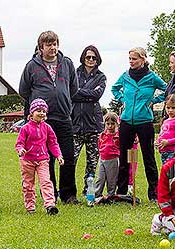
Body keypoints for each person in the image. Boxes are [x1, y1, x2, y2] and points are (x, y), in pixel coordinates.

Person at [19, 30, 79, 204]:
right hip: (43, 120)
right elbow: (24, 90)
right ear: (40, 47)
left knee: (68, 156)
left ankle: (69, 195)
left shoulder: (67, 63)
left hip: (64, 117)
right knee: (46, 158)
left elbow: (73, 89)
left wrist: (64, 99)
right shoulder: (32, 65)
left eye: (54, 44)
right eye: (48, 45)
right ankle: (50, 194)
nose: (52, 48)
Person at [111, 47, 166, 202]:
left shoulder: (152, 77)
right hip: (127, 122)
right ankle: (121, 192)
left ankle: (154, 194)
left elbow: (167, 89)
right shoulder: (125, 76)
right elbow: (114, 88)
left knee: (148, 157)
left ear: (143, 59)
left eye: (134, 58)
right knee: (125, 157)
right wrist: (122, 99)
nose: (131, 61)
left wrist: (153, 101)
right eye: (129, 58)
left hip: (145, 122)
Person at [15, 98, 62, 215]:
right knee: (28, 184)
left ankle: (50, 205)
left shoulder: (47, 128)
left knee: (46, 182)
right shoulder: (25, 128)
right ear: (32, 113)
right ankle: (30, 206)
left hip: (43, 160)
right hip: (27, 160)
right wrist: (20, 150)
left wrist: (58, 155)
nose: (41, 113)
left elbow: (53, 143)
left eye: (44, 111)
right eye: (38, 110)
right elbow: (19, 143)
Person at [72, 45, 107, 195]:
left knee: (92, 163)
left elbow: (97, 95)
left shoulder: (101, 76)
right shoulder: (74, 74)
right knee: (70, 161)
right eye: (88, 57)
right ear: (83, 58)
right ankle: (69, 191)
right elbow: (71, 93)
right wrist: (88, 94)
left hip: (93, 126)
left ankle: (88, 192)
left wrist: (80, 92)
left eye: (94, 57)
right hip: (75, 125)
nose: (91, 60)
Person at [95, 112, 120, 202]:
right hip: (102, 159)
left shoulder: (117, 136)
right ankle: (97, 195)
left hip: (113, 159)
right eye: (108, 124)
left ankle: (111, 195)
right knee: (100, 178)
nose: (110, 126)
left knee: (111, 179)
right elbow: (99, 145)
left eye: (112, 124)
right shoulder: (102, 135)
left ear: (117, 124)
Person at [155, 94, 175, 165]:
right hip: (163, 152)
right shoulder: (165, 121)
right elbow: (162, 134)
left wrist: (168, 142)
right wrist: (157, 142)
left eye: (173, 108)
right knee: (165, 172)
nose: (170, 110)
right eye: (168, 108)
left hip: (172, 152)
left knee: (171, 172)